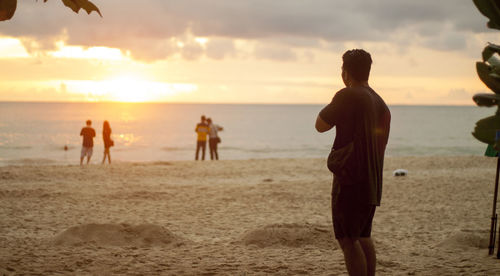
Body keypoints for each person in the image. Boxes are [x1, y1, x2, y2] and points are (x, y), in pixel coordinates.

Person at [315, 49, 391, 276]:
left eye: (342, 69)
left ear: (346, 72)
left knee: (348, 239)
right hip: (373, 179)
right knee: (363, 236)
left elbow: (320, 124)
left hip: (351, 178)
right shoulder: (379, 101)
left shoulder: (348, 95)